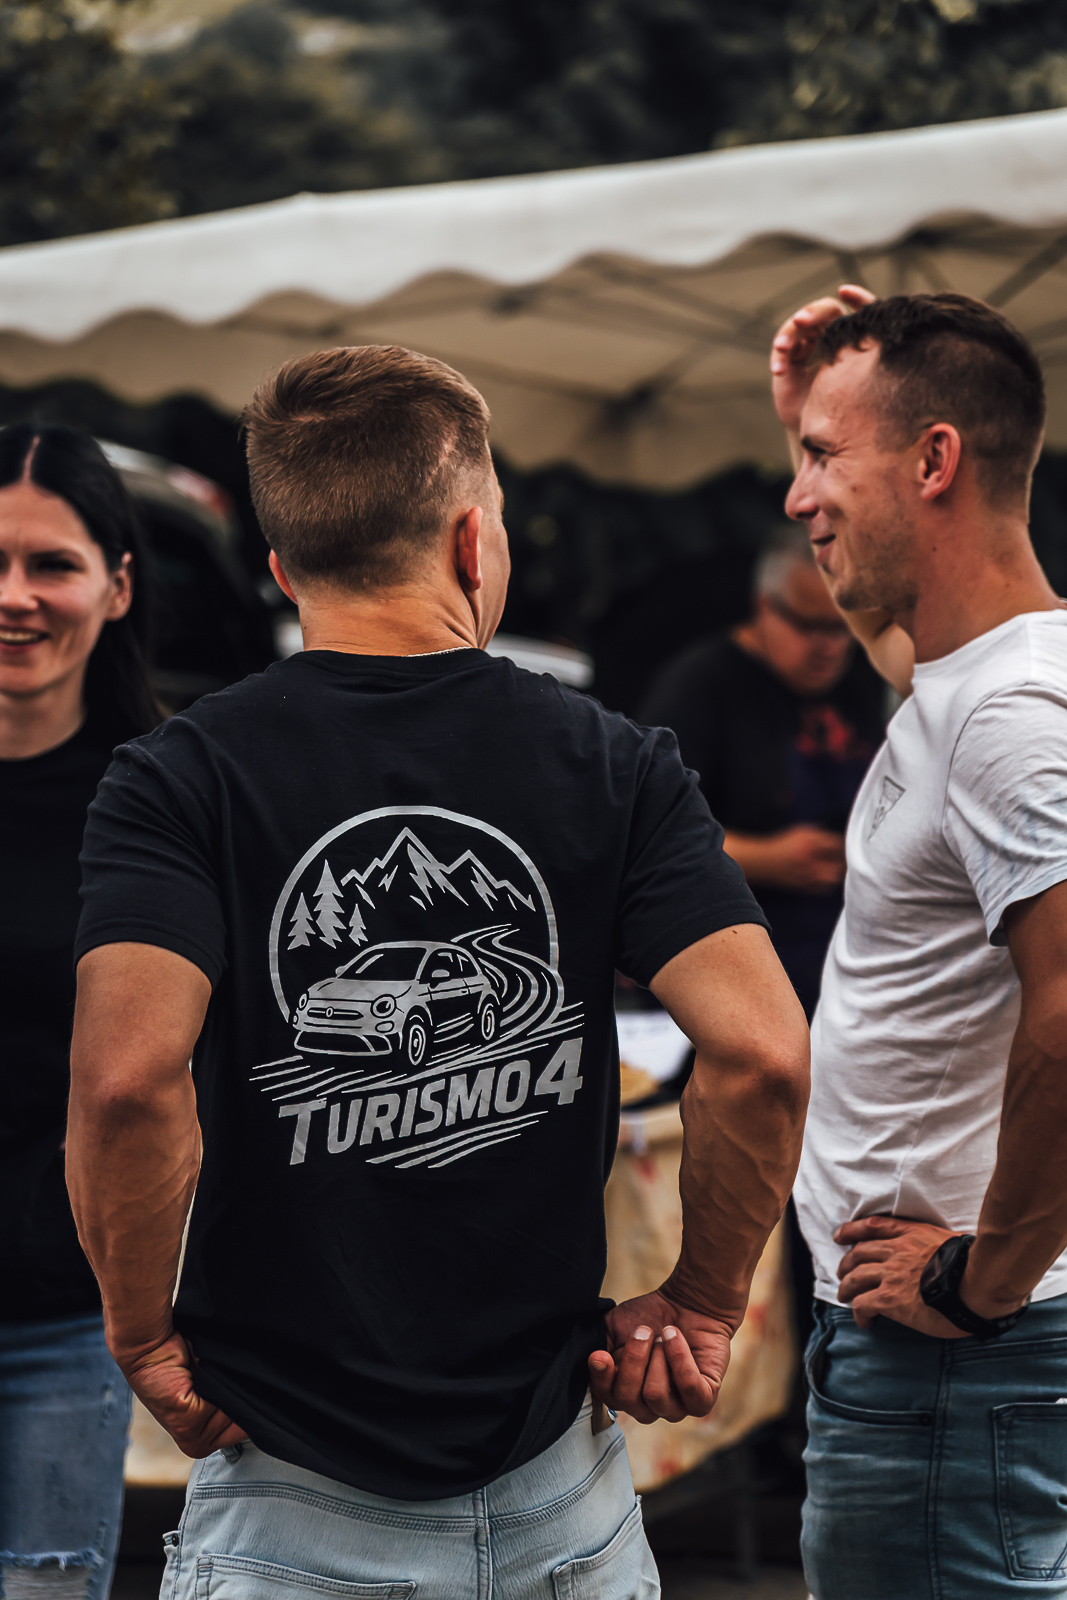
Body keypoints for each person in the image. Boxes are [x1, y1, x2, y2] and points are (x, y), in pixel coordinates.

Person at [64, 345, 810, 1599]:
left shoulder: (176, 776)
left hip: (288, 1495)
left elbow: (128, 1085)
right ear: (474, 542)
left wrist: (142, 1332)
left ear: (282, 568)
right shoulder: (615, 764)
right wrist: (698, 1302)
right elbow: (762, 1052)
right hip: (559, 1492)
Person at [770, 286, 1067, 1599]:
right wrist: (809, 418)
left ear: (933, 459)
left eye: (820, 459)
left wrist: (979, 1282)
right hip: (933, 1353)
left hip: (951, 1360)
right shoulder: (966, 679)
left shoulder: (1009, 715)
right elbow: (894, 636)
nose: (796, 497)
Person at [0, 426, 158, 1599]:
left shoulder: (160, 796)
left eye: (51, 564)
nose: (14, 596)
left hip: (63, 1315)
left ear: (117, 585)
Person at [639, 524, 883, 1019]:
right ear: (765, 606)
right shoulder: (699, 688)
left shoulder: (858, 683)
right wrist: (768, 859)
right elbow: (646, 840)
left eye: (840, 626)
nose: (828, 646)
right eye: (808, 626)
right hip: (738, 967)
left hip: (846, 964)